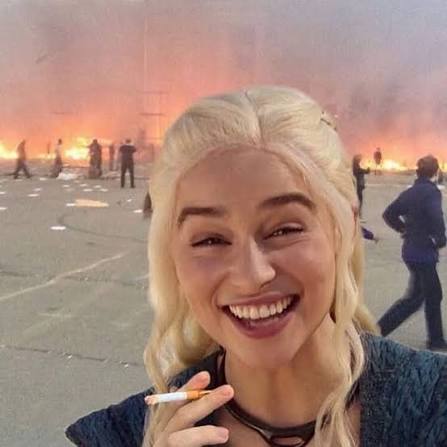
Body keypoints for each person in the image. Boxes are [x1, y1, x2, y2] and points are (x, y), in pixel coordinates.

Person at [66, 87, 447, 447]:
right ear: (172, 256)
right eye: (210, 240)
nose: (251, 276)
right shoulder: (125, 435)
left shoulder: (435, 407)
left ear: (344, 229)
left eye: (284, 230)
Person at [378, 155, 447, 351]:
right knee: (420, 298)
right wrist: (439, 239)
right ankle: (377, 331)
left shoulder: (410, 192)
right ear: (435, 171)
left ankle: (435, 339)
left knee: (424, 295)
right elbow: (436, 216)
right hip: (423, 253)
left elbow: (389, 213)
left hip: (411, 251)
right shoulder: (431, 192)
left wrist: (403, 229)